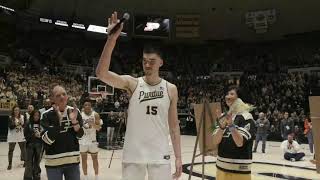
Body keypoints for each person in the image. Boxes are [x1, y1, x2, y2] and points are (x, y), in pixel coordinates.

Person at [96, 11, 182, 180]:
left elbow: (174, 126)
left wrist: (178, 157)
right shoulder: (132, 83)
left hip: (160, 154)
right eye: (144, 61)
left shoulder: (171, 89)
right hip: (133, 155)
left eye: (152, 61)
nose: (147, 64)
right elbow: (101, 74)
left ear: (161, 63)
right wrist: (111, 39)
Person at [41, 85, 84, 180]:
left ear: (67, 96)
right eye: (58, 95)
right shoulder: (46, 115)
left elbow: (80, 136)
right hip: (53, 162)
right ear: (52, 98)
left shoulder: (75, 111)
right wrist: (59, 123)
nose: (62, 97)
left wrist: (74, 122)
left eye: (64, 94)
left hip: (72, 161)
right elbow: (47, 140)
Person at [212, 86, 256, 180]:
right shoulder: (222, 116)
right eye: (227, 94)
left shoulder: (246, 117)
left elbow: (239, 143)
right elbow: (215, 141)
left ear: (239, 98)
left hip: (239, 171)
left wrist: (231, 125)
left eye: (231, 94)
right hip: (220, 169)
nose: (228, 96)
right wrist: (222, 126)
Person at [79, 99, 103, 180]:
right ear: (83, 107)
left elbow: (99, 128)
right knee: (84, 160)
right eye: (85, 105)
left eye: (89, 105)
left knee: (95, 159)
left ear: (91, 106)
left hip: (93, 139)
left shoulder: (95, 114)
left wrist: (92, 124)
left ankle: (96, 177)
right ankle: (85, 177)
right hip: (83, 140)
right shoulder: (80, 115)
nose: (87, 106)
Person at [23, 110, 43, 180]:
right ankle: (28, 177)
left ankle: (36, 176)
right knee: (29, 162)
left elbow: (44, 134)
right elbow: (25, 134)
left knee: (37, 162)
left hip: (39, 145)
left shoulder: (41, 123)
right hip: (30, 145)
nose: (36, 117)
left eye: (38, 115)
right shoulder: (28, 123)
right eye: (35, 115)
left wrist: (40, 135)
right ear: (32, 115)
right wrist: (33, 135)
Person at [7, 105, 26, 170]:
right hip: (12, 136)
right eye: (15, 110)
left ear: (19, 111)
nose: (16, 111)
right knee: (11, 150)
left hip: (20, 135)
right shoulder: (10, 117)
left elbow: (24, 126)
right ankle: (10, 164)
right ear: (13, 111)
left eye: (18, 110)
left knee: (23, 150)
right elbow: (10, 127)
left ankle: (25, 162)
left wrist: (22, 123)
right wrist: (17, 123)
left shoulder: (22, 117)